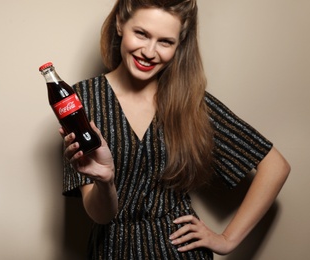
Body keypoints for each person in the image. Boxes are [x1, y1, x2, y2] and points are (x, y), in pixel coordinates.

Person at [60, 0, 290, 259]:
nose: (149, 51)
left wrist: (227, 239)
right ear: (120, 24)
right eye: (142, 33)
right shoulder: (78, 101)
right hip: (113, 250)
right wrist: (105, 181)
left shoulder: (188, 101)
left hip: (180, 252)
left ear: (179, 44)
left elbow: (276, 166)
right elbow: (101, 216)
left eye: (165, 42)